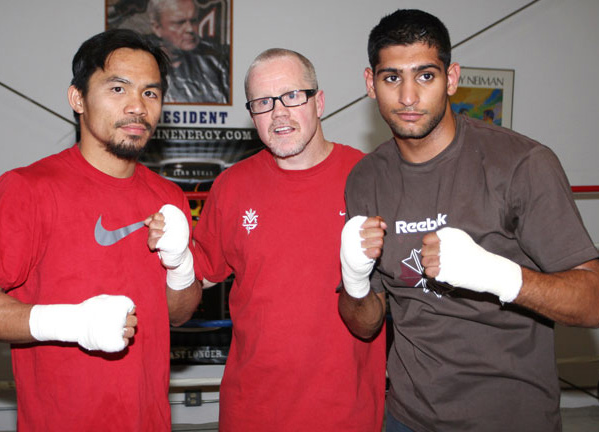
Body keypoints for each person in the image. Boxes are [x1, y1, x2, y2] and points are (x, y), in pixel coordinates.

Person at [339, 9, 599, 432]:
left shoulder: (520, 164)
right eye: (391, 78)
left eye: (425, 76)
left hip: (513, 419)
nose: (408, 97)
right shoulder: (366, 179)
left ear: (452, 78)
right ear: (371, 84)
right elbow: (365, 325)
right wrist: (352, 276)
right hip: (408, 417)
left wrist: (498, 275)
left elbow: (593, 301)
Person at [0, 29, 202, 431]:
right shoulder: (28, 188)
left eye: (150, 93)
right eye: (118, 88)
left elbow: (178, 313)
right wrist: (73, 323)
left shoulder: (168, 196)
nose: (137, 107)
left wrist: (180, 263)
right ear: (78, 99)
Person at [190, 48, 385, 431]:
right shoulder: (232, 185)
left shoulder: (369, 178)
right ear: (252, 116)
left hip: (346, 414)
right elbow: (196, 278)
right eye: (263, 102)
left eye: (293, 96)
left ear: (320, 102)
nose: (279, 112)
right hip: (252, 414)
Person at [148, 0, 230, 104]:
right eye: (180, 23)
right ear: (157, 28)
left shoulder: (217, 62)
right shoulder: (141, 64)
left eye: (194, 21)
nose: (190, 29)